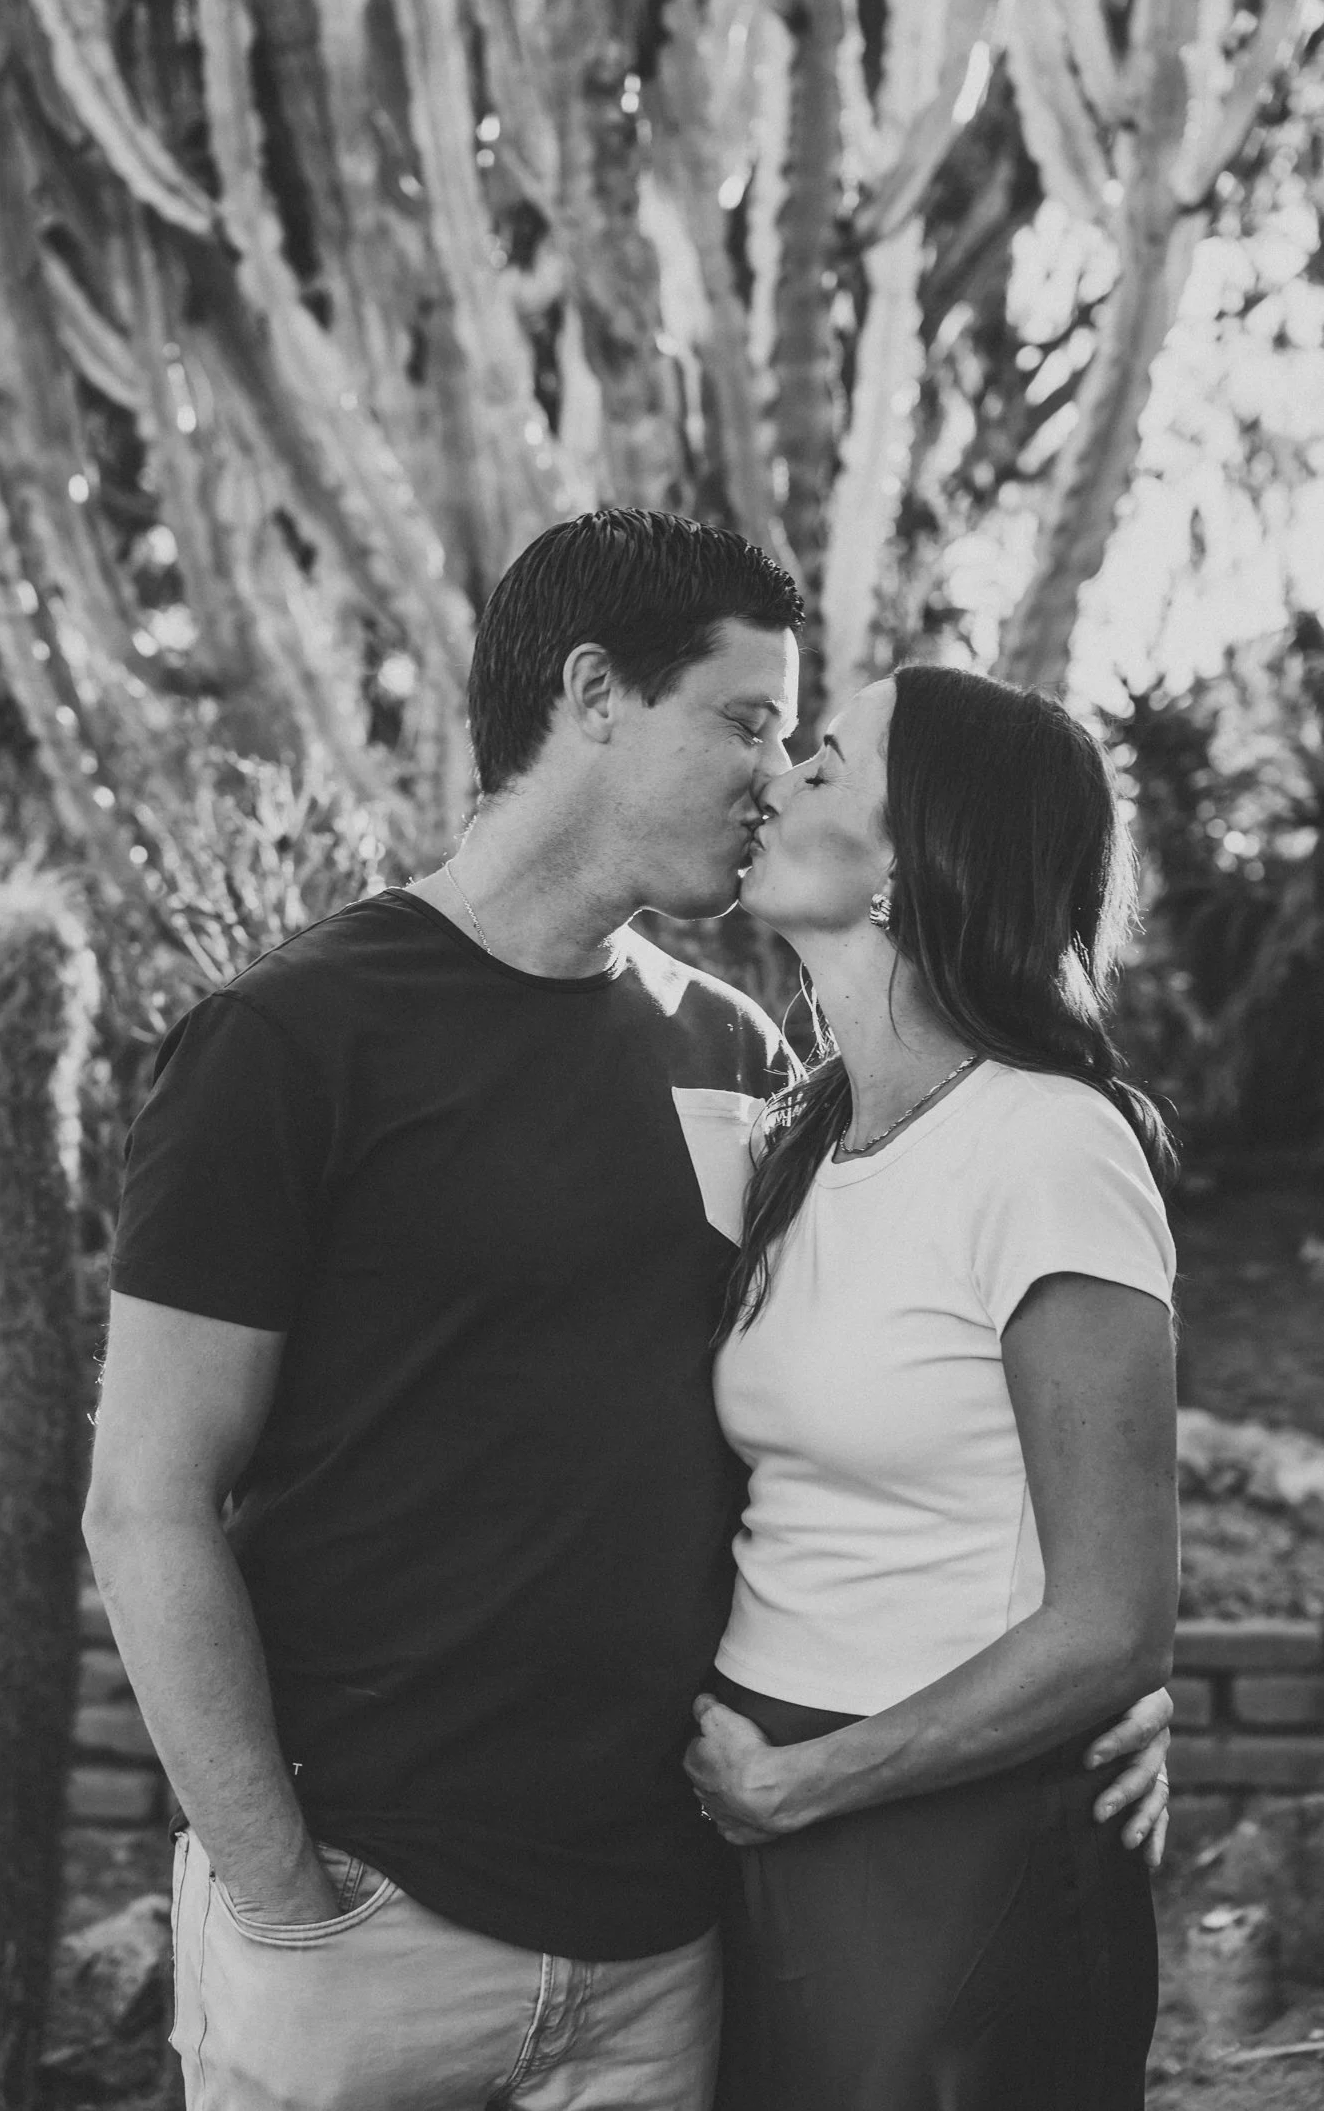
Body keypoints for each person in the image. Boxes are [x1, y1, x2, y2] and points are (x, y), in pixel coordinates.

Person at [83, 515, 1170, 2111]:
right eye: (746, 722)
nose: (772, 772)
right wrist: (277, 1892)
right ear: (594, 694)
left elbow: (906, 1399)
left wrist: (1094, 1699)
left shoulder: (744, 1067)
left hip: (671, 1936)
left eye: (801, 744)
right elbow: (143, 1498)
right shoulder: (286, 1045)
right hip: (369, 1929)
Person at [685, 663, 1179, 2111]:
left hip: (948, 1848)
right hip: (758, 1813)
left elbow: (1112, 1623)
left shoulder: (1048, 1147)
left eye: (826, 760)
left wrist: (807, 1786)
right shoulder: (805, 1139)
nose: (777, 776)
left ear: (919, 856)